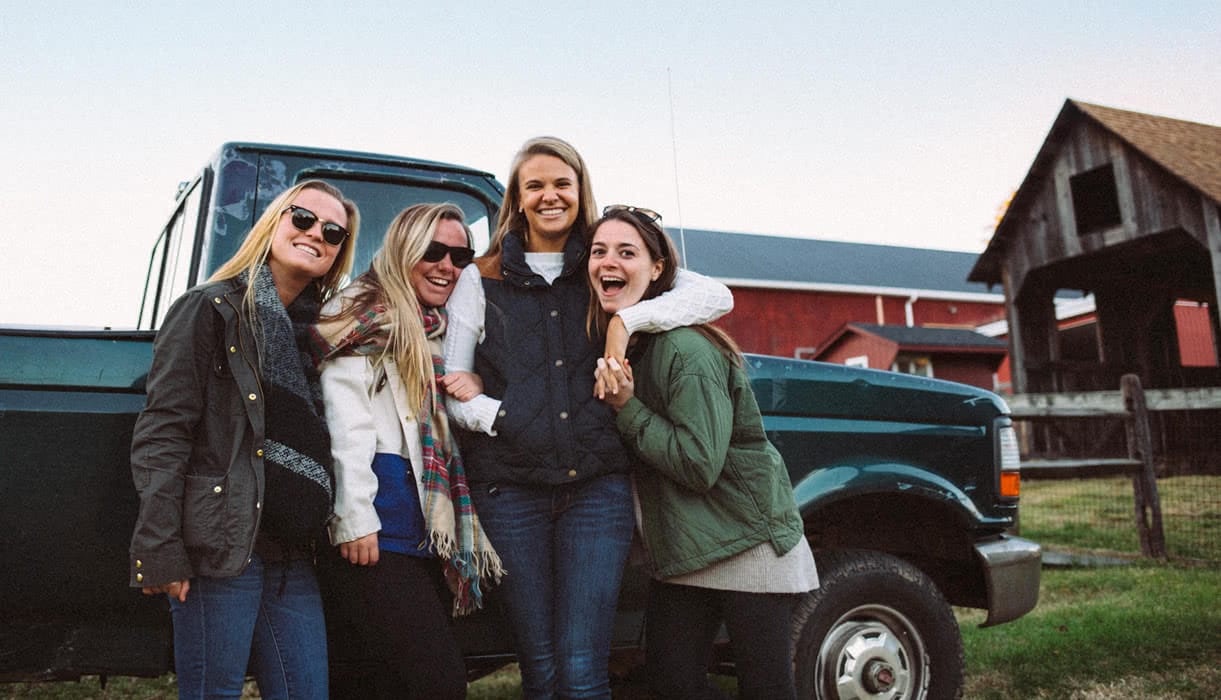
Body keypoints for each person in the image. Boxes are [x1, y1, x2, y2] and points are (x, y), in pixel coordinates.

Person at [442, 136, 734, 700]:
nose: (550, 196)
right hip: (510, 493)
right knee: (540, 666)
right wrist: (502, 415)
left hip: (595, 491)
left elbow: (716, 295)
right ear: (518, 198)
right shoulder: (482, 277)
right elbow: (456, 386)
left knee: (582, 669)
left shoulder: (606, 263)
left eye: (562, 184)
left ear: (580, 192)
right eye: (535, 186)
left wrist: (628, 322)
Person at [129, 180, 359, 700]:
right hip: (223, 543)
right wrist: (159, 546)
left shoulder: (322, 333)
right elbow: (164, 431)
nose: (315, 234)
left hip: (292, 554)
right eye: (302, 218)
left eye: (333, 232)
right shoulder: (209, 308)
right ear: (273, 222)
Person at [587, 206, 818, 700]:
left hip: (746, 541)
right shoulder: (637, 343)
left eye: (628, 252)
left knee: (767, 688)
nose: (610, 261)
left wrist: (627, 408)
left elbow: (698, 464)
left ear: (658, 270)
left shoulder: (685, 350)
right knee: (672, 684)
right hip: (688, 548)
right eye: (599, 250)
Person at [309, 203, 503, 699]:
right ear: (401, 249)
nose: (448, 266)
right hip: (376, 532)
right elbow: (344, 424)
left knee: (379, 681)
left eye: (461, 256)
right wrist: (354, 520)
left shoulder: (437, 327)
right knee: (437, 683)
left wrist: (473, 379)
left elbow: (448, 397)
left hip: (422, 532)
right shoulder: (361, 314)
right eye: (433, 251)